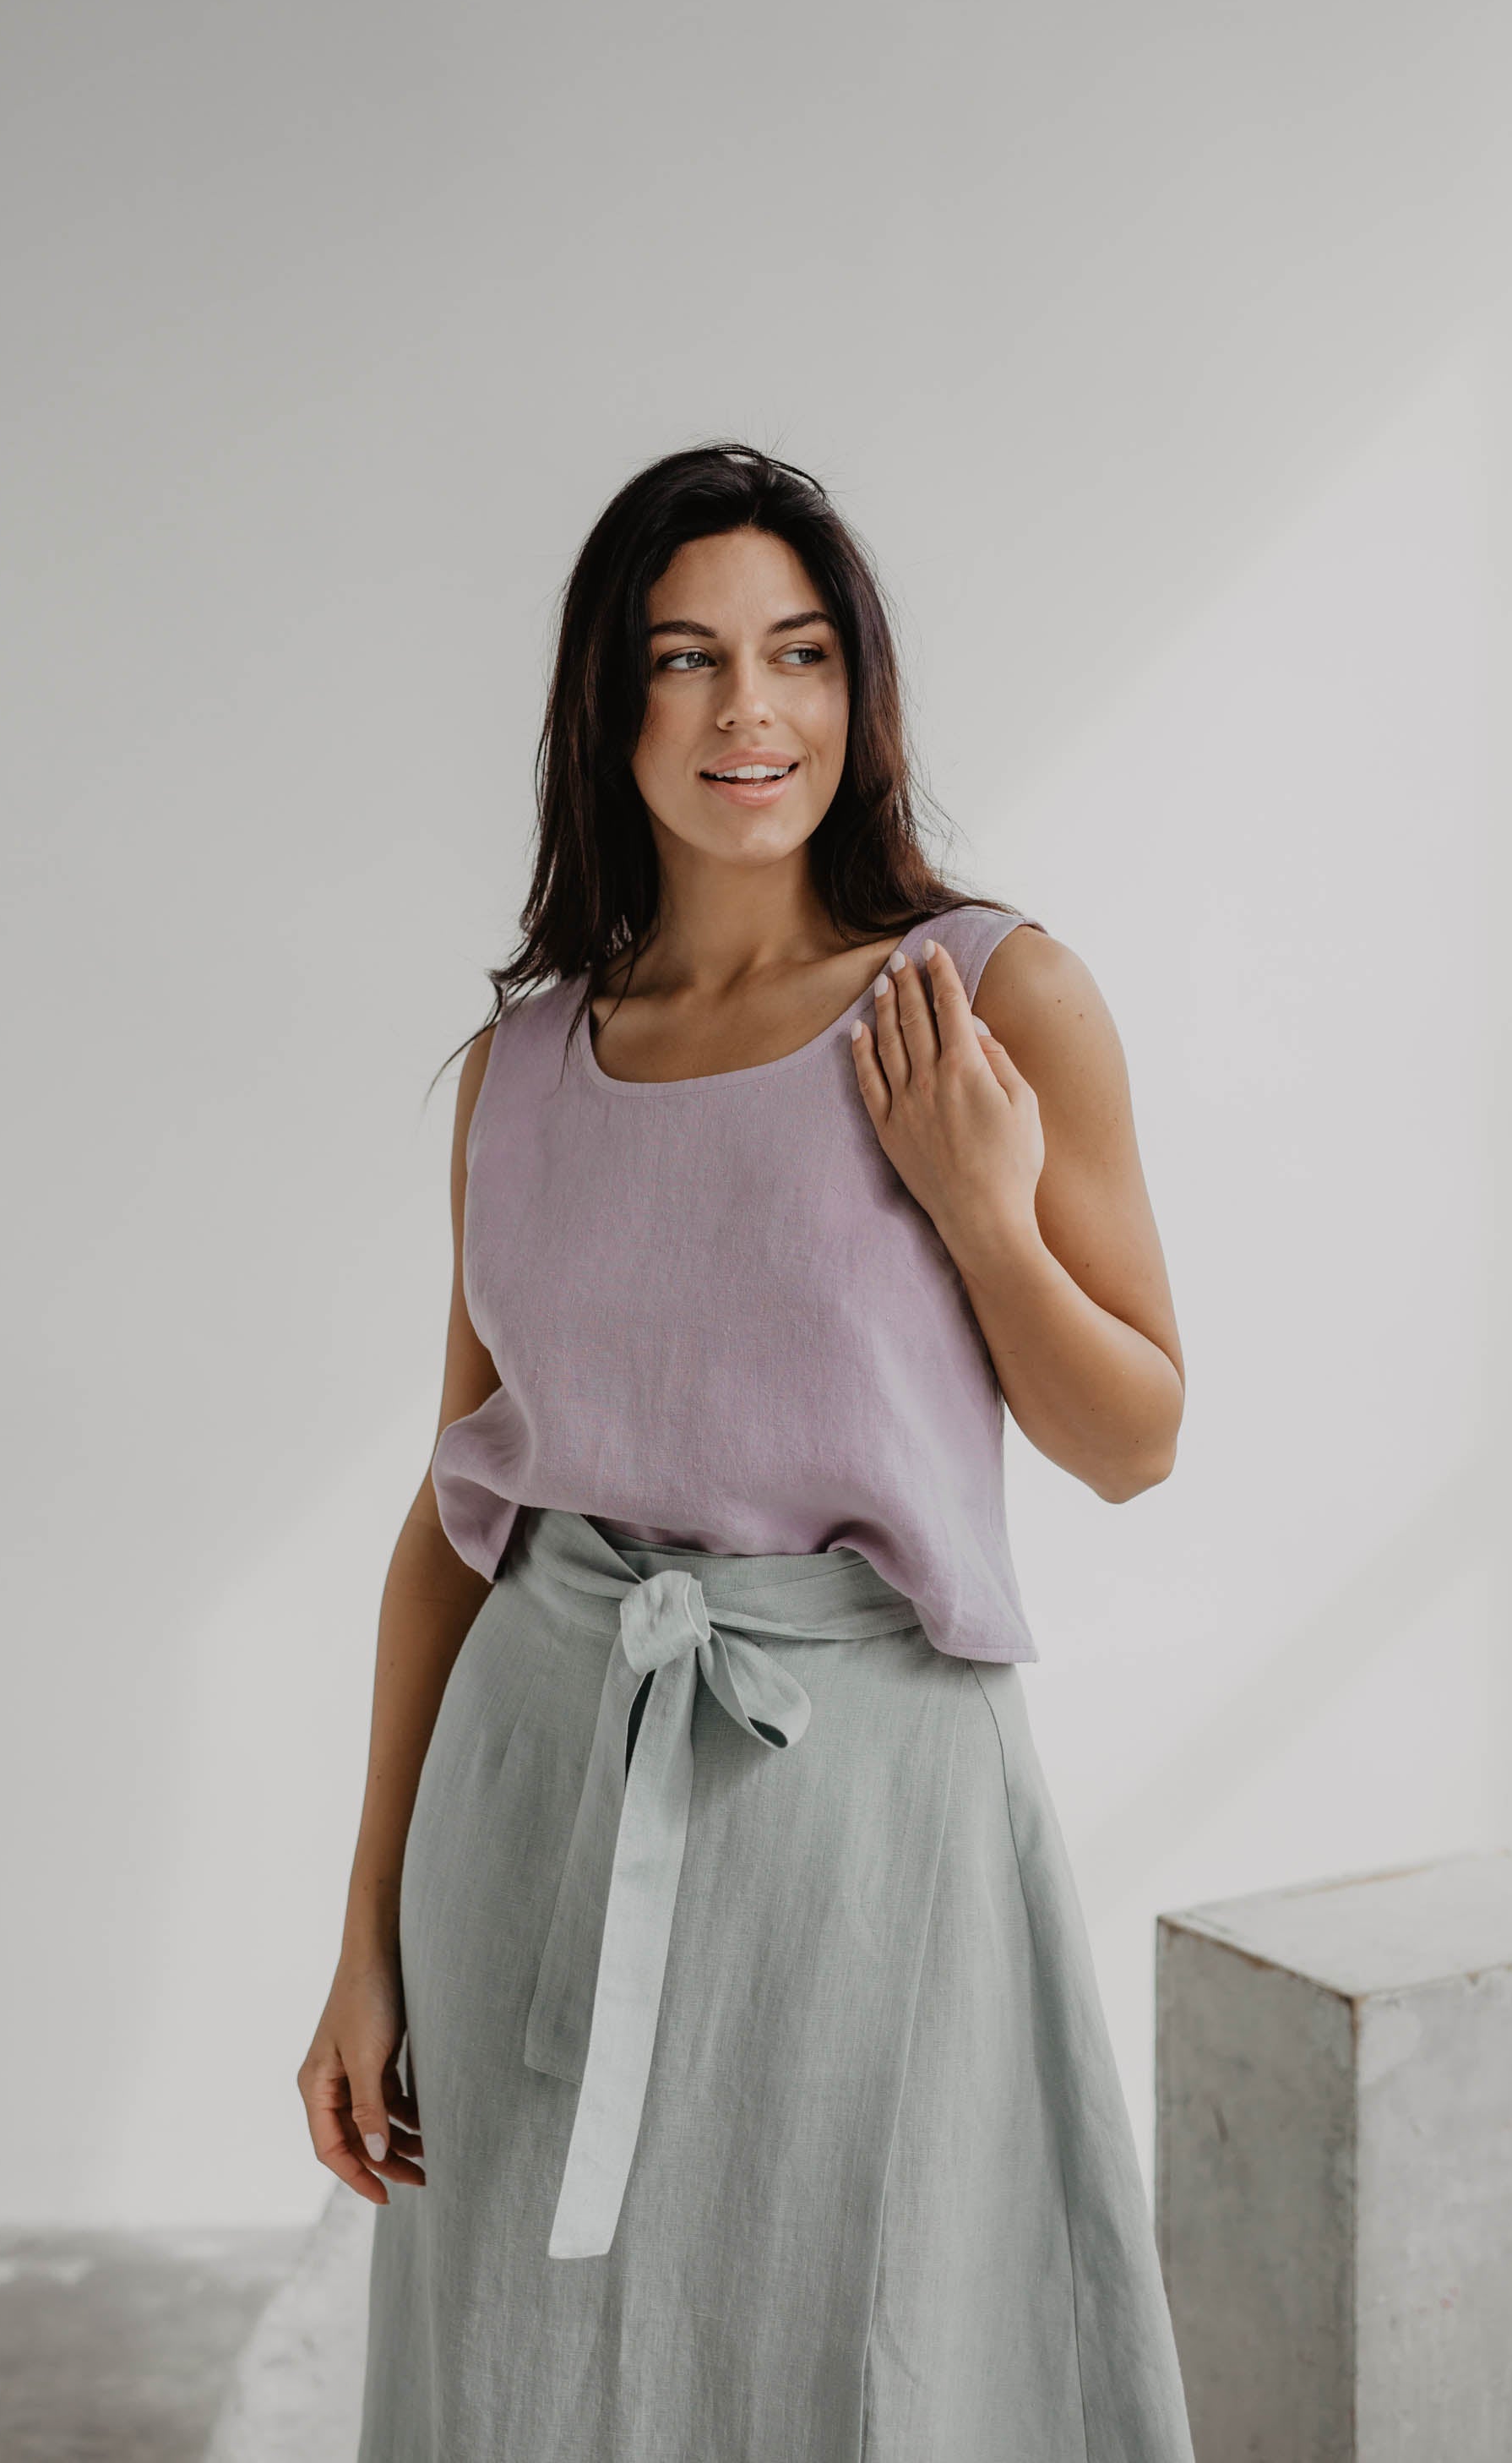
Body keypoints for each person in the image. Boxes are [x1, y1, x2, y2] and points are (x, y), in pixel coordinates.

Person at [299, 442, 1195, 2461]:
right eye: (684, 660)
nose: (747, 713)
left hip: (868, 1834)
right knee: (526, 2379)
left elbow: (1132, 1439)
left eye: (796, 655)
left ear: (857, 693)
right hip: (531, 1806)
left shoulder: (989, 1000)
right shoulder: (521, 1068)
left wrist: (981, 1207)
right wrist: (362, 1940)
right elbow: (452, 1530)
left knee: (868, 2360)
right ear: (605, 711)